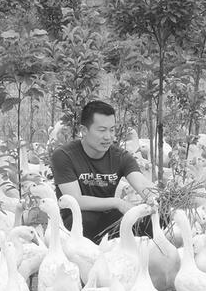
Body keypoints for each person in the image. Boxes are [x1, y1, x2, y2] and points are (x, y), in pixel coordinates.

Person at [50, 100, 156, 241]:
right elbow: (76, 200)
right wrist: (117, 202)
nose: (108, 136)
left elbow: (142, 184)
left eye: (112, 130)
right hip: (77, 221)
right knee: (87, 220)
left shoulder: (121, 157)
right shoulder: (64, 155)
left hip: (109, 219)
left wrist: (159, 198)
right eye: (102, 130)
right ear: (84, 130)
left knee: (150, 219)